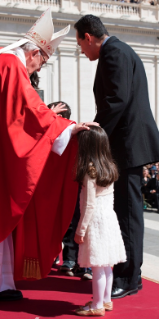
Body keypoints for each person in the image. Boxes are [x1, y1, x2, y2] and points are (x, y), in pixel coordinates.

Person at [0, 8, 96, 301]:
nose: (38, 70)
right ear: (34, 53)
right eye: (41, 62)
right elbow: (27, 110)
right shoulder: (11, 65)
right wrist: (66, 127)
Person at [74, 14, 159, 299]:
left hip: (126, 144)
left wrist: (95, 135)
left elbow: (116, 101)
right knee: (124, 209)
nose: (81, 51)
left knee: (128, 212)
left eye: (80, 44)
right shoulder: (118, 51)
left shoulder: (114, 52)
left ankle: (129, 276)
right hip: (127, 142)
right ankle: (125, 271)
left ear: (88, 36)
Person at [74, 126, 126, 316]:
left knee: (97, 267)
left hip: (95, 221)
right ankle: (105, 300)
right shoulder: (109, 166)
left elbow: (89, 205)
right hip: (109, 218)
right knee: (106, 265)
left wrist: (81, 229)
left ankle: (96, 305)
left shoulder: (90, 171)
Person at [48, 101, 93, 280]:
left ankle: (72, 260)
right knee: (54, 223)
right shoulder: (50, 133)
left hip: (72, 186)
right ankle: (53, 256)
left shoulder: (77, 133)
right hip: (51, 187)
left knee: (73, 223)